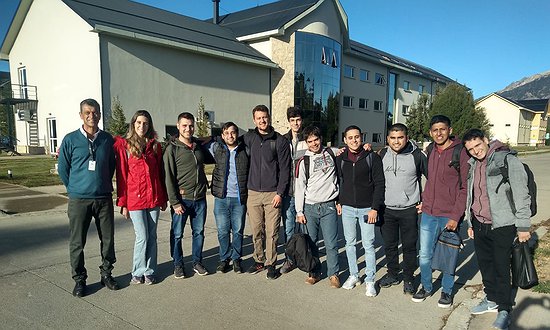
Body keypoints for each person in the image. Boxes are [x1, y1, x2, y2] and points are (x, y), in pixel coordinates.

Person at [463, 129, 531, 330]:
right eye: (471, 149)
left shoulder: (507, 160)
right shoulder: (473, 164)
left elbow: (522, 194)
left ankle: (504, 309)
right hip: (479, 223)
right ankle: (491, 299)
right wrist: (470, 222)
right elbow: (472, 195)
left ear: (486, 140)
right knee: (486, 264)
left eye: (478, 145)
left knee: (502, 267)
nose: (475, 151)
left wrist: (523, 226)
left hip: (502, 224)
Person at [58, 98, 118, 297]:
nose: (92, 116)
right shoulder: (70, 139)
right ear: (81, 115)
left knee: (108, 240)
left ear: (100, 114)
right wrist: (75, 188)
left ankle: (106, 274)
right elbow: (63, 168)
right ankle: (79, 280)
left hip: (103, 198)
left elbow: (110, 166)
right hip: (78, 200)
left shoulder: (108, 140)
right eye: (87, 112)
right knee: (77, 243)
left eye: (95, 112)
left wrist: (101, 184)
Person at [412, 115, 469, 308]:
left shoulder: (460, 152)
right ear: (430, 133)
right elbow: (430, 181)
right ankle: (426, 286)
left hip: (449, 215)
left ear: (450, 130)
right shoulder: (430, 150)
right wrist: (424, 201)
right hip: (429, 212)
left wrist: (455, 217)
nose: (439, 133)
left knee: (448, 256)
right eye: (435, 130)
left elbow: (464, 189)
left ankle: (446, 291)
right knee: (425, 254)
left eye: (442, 129)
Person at [114, 110, 168, 285]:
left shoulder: (155, 146)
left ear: (149, 125)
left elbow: (160, 173)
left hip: (153, 198)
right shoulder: (126, 146)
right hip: (135, 200)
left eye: (145, 123)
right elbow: (122, 176)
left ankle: (150, 271)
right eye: (138, 123)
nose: (141, 126)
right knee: (142, 236)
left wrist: (163, 198)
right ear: (133, 124)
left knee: (152, 236)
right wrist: (123, 203)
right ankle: (137, 271)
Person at [378, 123, 427, 295]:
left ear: (406, 138)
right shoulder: (382, 154)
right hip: (387, 210)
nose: (396, 141)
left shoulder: (417, 155)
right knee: (390, 245)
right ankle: (392, 274)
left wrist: (425, 201)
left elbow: (431, 179)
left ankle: (408, 278)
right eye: (393, 138)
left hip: (409, 210)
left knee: (409, 246)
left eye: (400, 138)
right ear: (387, 139)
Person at [243, 105, 291, 280]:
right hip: (253, 192)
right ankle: (259, 260)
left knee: (272, 232)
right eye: (259, 118)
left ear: (269, 117)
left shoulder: (279, 141)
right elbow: (230, 142)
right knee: (256, 230)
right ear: (254, 120)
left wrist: (280, 193)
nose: (262, 120)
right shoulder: (249, 138)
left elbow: (286, 170)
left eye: (265, 117)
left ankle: (271, 263)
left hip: (272, 194)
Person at [337, 125, 385, 297]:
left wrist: (374, 208)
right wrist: (338, 201)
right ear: (345, 140)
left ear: (362, 137)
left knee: (368, 245)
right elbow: (338, 181)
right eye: (350, 137)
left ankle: (370, 280)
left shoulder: (372, 157)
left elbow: (380, 184)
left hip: (367, 208)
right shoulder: (341, 158)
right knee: (349, 244)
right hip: (348, 208)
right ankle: (353, 275)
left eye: (357, 136)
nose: (354, 140)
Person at [164, 112, 213, 278]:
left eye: (191, 125)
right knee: (177, 234)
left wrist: (211, 137)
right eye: (184, 125)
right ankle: (177, 264)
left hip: (199, 199)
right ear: (178, 126)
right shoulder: (172, 149)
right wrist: (175, 202)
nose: (188, 129)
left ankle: (197, 262)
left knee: (198, 233)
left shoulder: (198, 147)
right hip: (182, 201)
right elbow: (168, 178)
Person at [294, 126, 341, 288]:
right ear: (306, 143)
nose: (314, 143)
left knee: (331, 243)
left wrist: (366, 146)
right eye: (310, 141)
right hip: (310, 208)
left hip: (329, 206)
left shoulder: (331, 152)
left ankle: (333, 274)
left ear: (321, 138)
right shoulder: (303, 161)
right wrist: (299, 211)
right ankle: (314, 272)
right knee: (312, 243)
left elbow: (348, 149)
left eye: (316, 139)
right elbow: (299, 187)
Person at [208, 122, 249, 274]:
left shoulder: (245, 150)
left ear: (237, 134)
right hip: (221, 198)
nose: (230, 136)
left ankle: (237, 259)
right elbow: (199, 141)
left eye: (233, 132)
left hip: (239, 198)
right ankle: (224, 258)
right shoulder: (217, 148)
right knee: (223, 231)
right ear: (222, 135)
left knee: (238, 231)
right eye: (227, 133)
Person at [280, 106, 308, 274]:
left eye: (298, 119)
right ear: (289, 122)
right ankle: (290, 260)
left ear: (301, 120)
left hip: (305, 192)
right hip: (288, 193)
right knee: (289, 229)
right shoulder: (283, 140)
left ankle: (306, 257)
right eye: (292, 120)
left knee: (305, 229)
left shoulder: (308, 138)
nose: (296, 123)